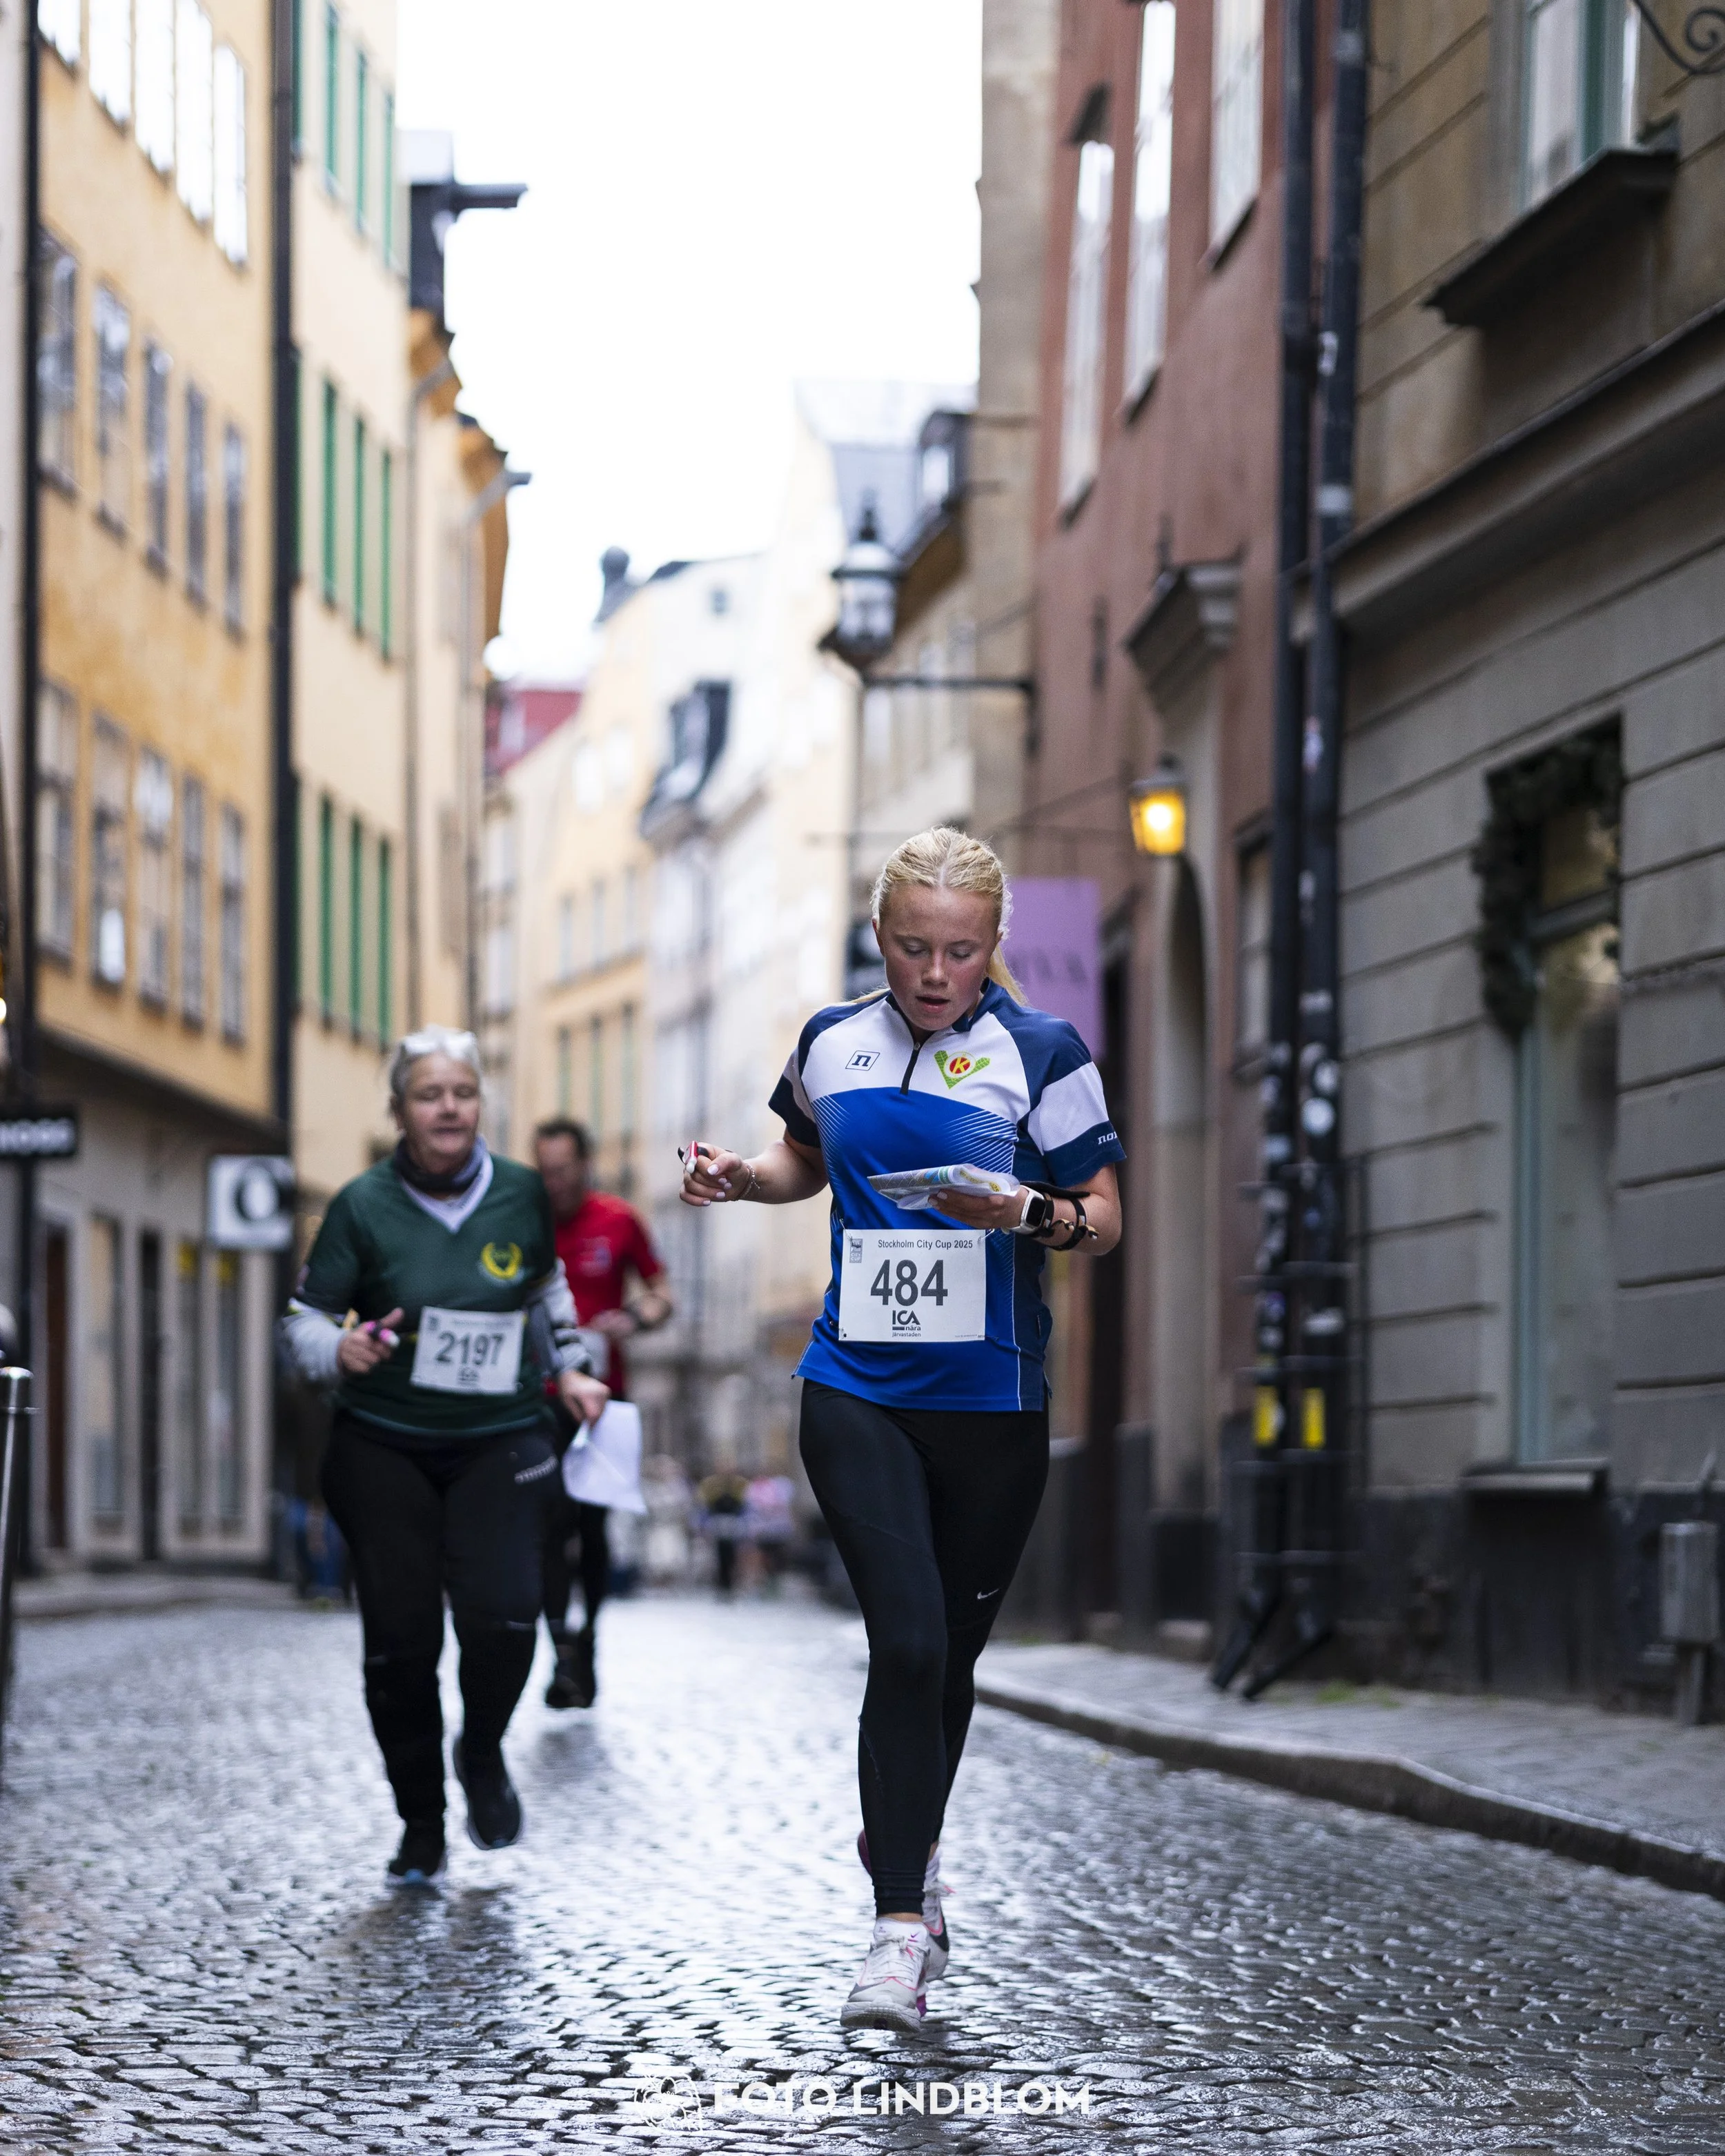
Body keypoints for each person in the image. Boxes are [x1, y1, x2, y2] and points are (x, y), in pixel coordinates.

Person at [681, 826, 1123, 2032]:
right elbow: (803, 1162)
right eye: (915, 947)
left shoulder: (1044, 1052)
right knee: (909, 1644)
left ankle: (912, 1839)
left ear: (993, 949)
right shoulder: (835, 1041)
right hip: (856, 1387)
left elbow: (1104, 1217)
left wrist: (1028, 1209)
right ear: (881, 937)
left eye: (962, 951)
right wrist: (740, 1178)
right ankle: (894, 1935)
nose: (936, 974)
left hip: (993, 1403)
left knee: (954, 1665)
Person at [281, 1027, 609, 1888]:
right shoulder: (362, 1204)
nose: (450, 1106)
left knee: (505, 1615)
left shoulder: (522, 1193)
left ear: (480, 1106)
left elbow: (544, 1289)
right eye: (430, 1094)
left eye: (463, 1091)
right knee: (401, 1642)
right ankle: (420, 1819)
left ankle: (483, 1750)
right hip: (383, 1441)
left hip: (500, 1436)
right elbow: (302, 1322)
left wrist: (570, 1367)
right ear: (399, 1111)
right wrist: (335, 1351)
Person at [533, 1118, 671, 1708]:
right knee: (546, 1528)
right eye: (543, 1170)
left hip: (605, 1401)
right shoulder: (524, 1220)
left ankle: (587, 1641)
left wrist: (633, 1319)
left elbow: (662, 1294)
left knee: (592, 1532)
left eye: (561, 1169)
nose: (552, 1181)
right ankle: (560, 1647)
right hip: (537, 1401)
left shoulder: (618, 1220)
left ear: (585, 1166)